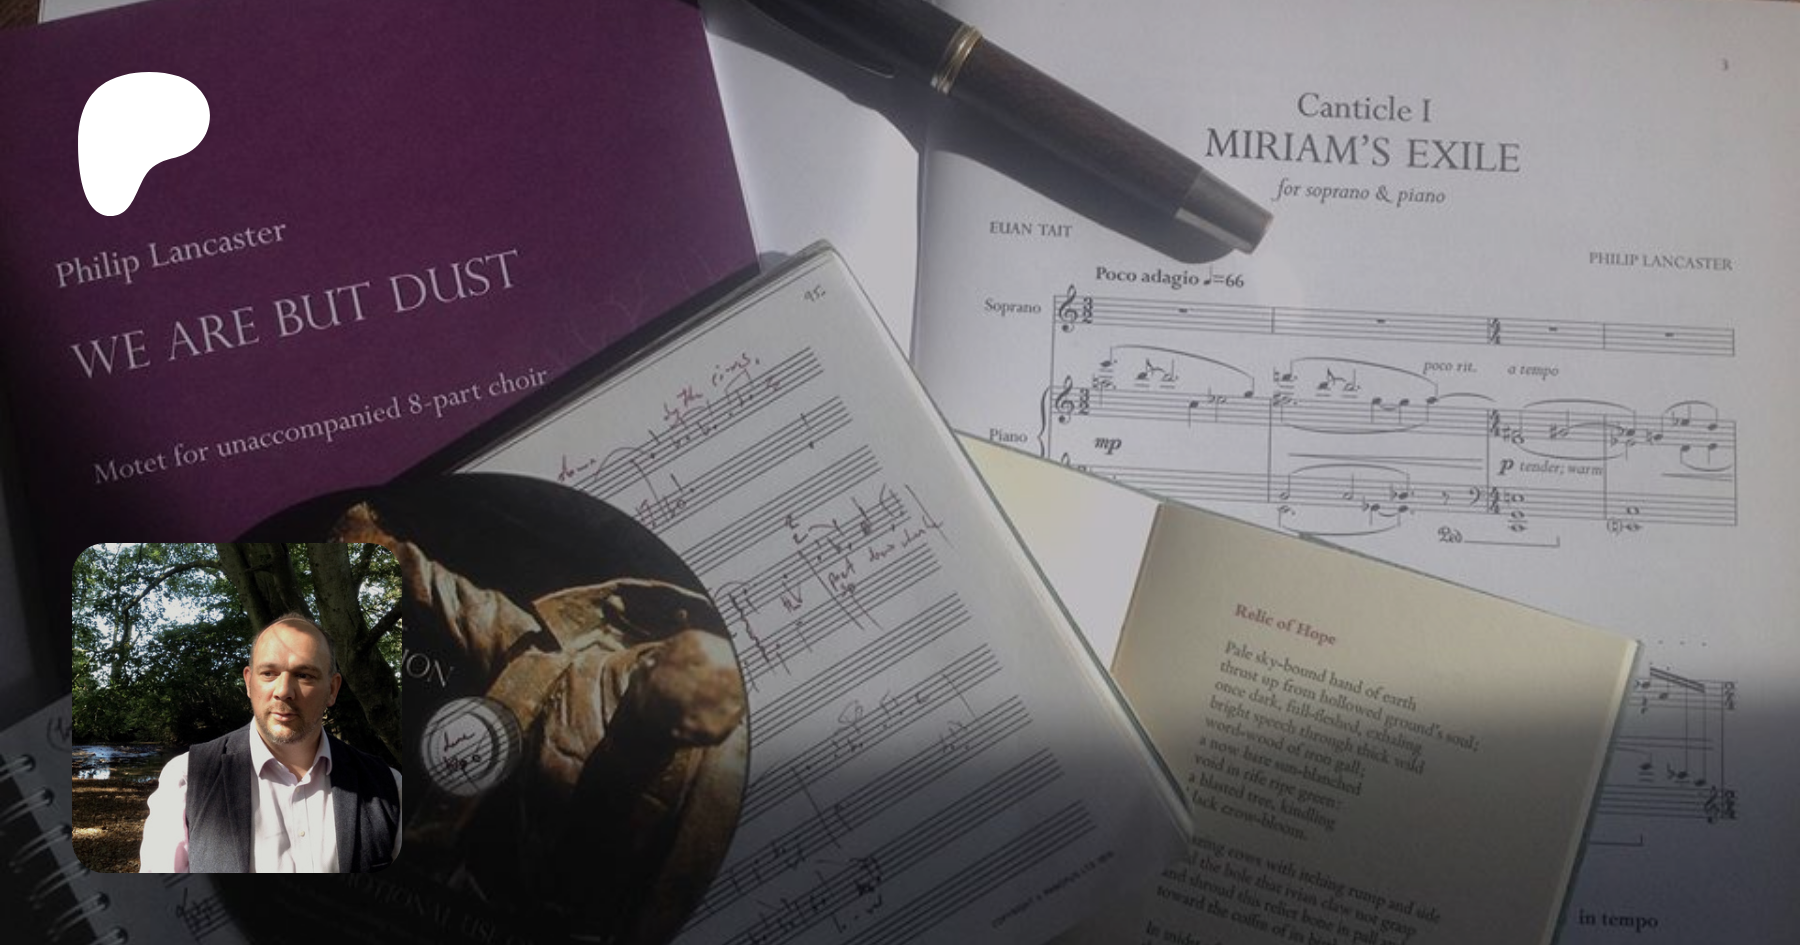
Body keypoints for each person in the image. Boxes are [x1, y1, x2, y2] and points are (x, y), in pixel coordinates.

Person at [334, 500, 747, 945]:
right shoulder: (551, 659)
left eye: (672, 741)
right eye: (646, 724)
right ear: (644, 664)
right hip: (460, 901)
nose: (649, 746)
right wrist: (367, 537)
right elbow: (446, 597)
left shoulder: (722, 769)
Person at [139, 614, 401, 873]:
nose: (283, 691)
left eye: (304, 675)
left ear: (332, 689)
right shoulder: (188, 779)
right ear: (248, 682)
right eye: (268, 673)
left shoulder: (389, 787)